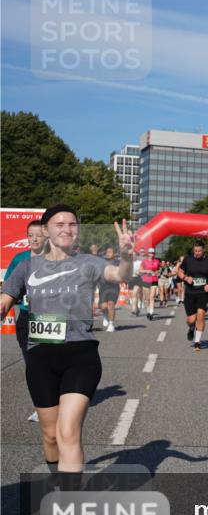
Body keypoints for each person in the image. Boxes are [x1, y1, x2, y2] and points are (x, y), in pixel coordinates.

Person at [0, 205, 134, 485]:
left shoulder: (89, 262)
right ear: (46, 230)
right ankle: (59, 481)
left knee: (68, 431)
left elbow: (119, 275)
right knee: (50, 435)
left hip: (80, 355)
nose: (66, 228)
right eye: (59, 224)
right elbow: (5, 301)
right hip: (40, 357)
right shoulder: (27, 266)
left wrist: (127, 254)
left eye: (72, 224)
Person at [6, 219, 47, 422]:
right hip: (25, 316)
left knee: (46, 362)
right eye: (30, 235)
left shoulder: (56, 259)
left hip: (49, 318)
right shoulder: (20, 259)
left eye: (38, 234)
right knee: (32, 363)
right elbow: (9, 288)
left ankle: (50, 403)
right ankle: (41, 406)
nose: (34, 238)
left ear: (47, 236)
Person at [177, 240, 208, 351]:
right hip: (190, 293)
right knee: (191, 319)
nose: (197, 253)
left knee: (200, 315)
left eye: (199, 251)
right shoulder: (188, 259)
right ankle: (191, 328)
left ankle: (197, 342)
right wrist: (185, 278)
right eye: (195, 251)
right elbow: (179, 272)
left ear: (203, 250)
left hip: (203, 293)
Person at [98, 246, 120, 332]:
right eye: (107, 252)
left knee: (111, 304)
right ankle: (105, 315)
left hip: (114, 286)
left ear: (114, 254)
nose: (108, 253)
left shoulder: (118, 262)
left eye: (110, 252)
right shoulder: (102, 262)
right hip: (103, 286)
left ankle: (111, 324)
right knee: (103, 307)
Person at [140, 248, 161, 320]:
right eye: (150, 253)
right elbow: (140, 270)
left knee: (152, 297)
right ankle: (148, 311)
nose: (152, 254)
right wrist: (147, 271)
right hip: (146, 280)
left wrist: (157, 273)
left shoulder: (157, 261)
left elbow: (158, 270)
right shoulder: (144, 261)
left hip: (154, 280)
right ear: (148, 253)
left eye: (153, 253)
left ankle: (151, 313)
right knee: (147, 298)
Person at [129, 249, 145, 316]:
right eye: (132, 255)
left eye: (134, 255)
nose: (133, 256)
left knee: (135, 293)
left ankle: (133, 309)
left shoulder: (139, 262)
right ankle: (137, 309)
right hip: (130, 279)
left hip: (138, 278)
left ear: (136, 256)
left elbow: (143, 271)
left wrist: (139, 272)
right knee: (133, 295)